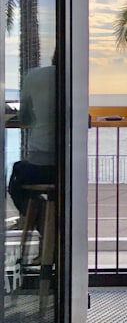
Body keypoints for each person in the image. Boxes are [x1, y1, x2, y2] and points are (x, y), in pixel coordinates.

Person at [8, 60, 57, 231]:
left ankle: (40, 222)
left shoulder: (34, 76)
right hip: (67, 170)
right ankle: (49, 228)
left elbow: (25, 118)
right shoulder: (73, 78)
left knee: (17, 181)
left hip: (40, 167)